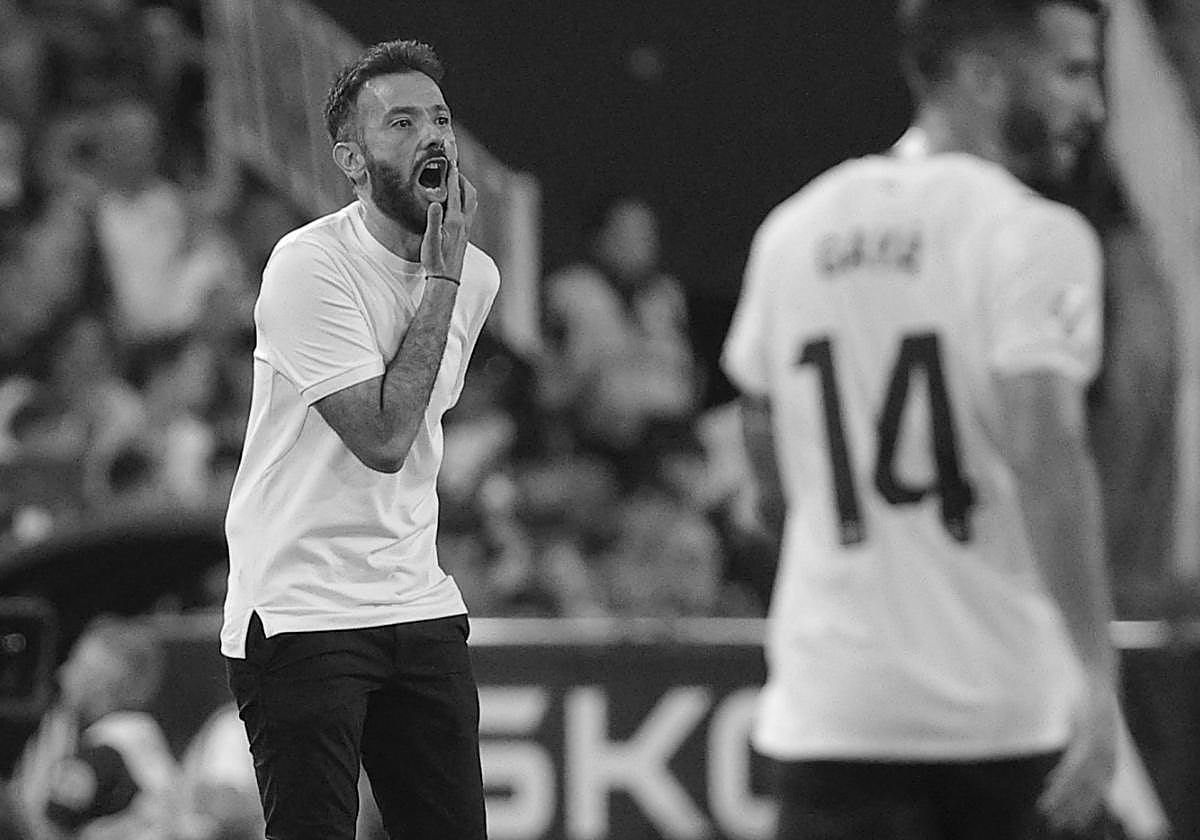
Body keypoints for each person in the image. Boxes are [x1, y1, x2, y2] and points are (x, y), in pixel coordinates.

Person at [721, 1, 1120, 838]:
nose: (1095, 106)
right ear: (981, 76)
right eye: (1073, 72)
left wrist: (825, 530)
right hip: (1001, 721)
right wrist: (1097, 673)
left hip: (833, 713)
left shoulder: (794, 229)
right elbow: (1047, 452)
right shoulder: (1032, 234)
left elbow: (759, 431)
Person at [221, 39, 497, 840]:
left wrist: (449, 277)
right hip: (302, 605)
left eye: (439, 119)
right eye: (402, 122)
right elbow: (381, 436)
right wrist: (439, 282)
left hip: (415, 594)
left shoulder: (476, 276)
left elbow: (416, 438)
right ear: (352, 158)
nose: (433, 138)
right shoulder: (308, 266)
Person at [5, 615, 179, 840]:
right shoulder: (142, 735)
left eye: (76, 663)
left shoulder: (102, 753)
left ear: (103, 682)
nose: (63, 673)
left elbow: (48, 829)